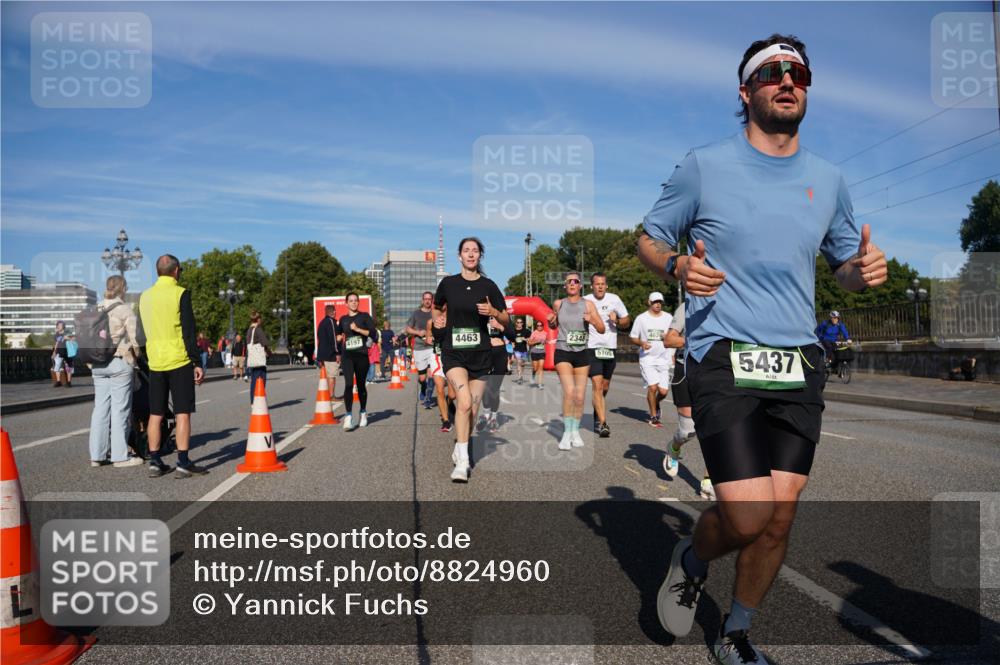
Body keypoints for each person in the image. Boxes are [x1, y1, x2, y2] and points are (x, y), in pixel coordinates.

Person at [638, 34, 888, 663]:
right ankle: (692, 559)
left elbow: (842, 268)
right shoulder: (705, 164)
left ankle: (738, 631)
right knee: (748, 516)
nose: (787, 81)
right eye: (771, 72)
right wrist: (675, 267)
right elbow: (648, 237)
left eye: (798, 73)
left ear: (806, 88)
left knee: (780, 516)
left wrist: (865, 271)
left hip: (799, 359)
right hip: (724, 352)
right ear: (745, 91)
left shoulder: (829, 179)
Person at [432, 237, 508, 483]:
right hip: (453, 351)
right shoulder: (448, 283)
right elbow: (436, 306)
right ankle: (463, 462)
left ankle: (460, 445)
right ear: (459, 256)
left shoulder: (488, 286)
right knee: (463, 402)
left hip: (481, 354)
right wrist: (437, 320)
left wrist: (494, 313)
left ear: (480, 256)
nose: (471, 254)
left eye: (475, 251)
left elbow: (506, 318)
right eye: (467, 250)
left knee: (472, 409)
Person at [137, 254, 209, 478]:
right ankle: (183, 462)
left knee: (155, 414)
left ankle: (155, 461)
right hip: (179, 360)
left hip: (156, 362)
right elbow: (188, 331)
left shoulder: (144, 297)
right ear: (176, 270)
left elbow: (142, 331)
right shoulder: (181, 293)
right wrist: (197, 362)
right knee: (182, 413)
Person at [88, 275, 143, 468]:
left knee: (100, 409)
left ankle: (97, 455)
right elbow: (135, 339)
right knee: (120, 410)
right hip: (119, 361)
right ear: (123, 288)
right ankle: (120, 457)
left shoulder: (95, 309)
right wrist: (136, 356)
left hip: (97, 364)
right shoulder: (125, 309)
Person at [663, 302, 714, 500]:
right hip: (685, 370)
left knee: (715, 428)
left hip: (715, 374)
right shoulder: (687, 307)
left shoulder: (731, 303)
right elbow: (669, 340)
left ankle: (709, 480)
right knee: (688, 430)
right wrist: (699, 341)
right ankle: (674, 447)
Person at [548, 271, 605, 450]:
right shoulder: (559, 303)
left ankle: (575, 431)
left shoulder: (588, 304)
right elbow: (553, 324)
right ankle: (566, 433)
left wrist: (593, 320)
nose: (572, 284)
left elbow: (602, 328)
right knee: (570, 391)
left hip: (581, 352)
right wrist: (551, 322)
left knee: (579, 397)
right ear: (565, 286)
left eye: (576, 281)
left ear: (580, 285)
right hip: (563, 351)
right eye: (569, 282)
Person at [584, 272, 630, 438]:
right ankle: (603, 423)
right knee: (597, 384)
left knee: (604, 386)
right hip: (592, 348)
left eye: (603, 284)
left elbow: (627, 320)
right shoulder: (586, 301)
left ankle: (598, 409)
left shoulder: (614, 299)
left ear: (606, 286)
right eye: (597, 284)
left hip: (610, 348)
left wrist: (616, 320)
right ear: (592, 286)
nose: (600, 286)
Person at [629, 292, 675, 428]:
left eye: (660, 302)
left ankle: (656, 402)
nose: (658, 304)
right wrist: (641, 343)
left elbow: (672, 337)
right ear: (649, 302)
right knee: (652, 387)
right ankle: (653, 416)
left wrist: (672, 353)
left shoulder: (668, 318)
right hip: (647, 358)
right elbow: (633, 337)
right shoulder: (641, 318)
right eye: (655, 302)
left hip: (663, 358)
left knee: (663, 392)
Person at [338, 293, 378, 429]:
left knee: (361, 386)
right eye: (351, 301)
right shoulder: (343, 319)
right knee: (349, 384)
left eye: (356, 301)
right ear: (346, 303)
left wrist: (358, 329)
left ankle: (363, 412)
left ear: (358, 303)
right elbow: (339, 333)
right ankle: (348, 416)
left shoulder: (365, 316)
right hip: (347, 355)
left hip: (361, 355)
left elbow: (373, 334)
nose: (354, 303)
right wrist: (338, 339)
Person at [478, 315, 516, 434]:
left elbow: (512, 335)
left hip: (499, 353)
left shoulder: (501, 315)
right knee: (484, 387)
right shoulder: (479, 315)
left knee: (494, 388)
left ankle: (493, 418)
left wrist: (499, 326)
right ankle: (486, 415)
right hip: (484, 352)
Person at [405, 292, 437, 407]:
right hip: (419, 348)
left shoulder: (435, 313)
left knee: (431, 374)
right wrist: (418, 332)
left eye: (430, 299)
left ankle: (428, 398)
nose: (427, 301)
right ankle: (423, 388)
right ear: (422, 300)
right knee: (422, 378)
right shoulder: (416, 314)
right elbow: (408, 328)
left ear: (432, 300)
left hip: (432, 347)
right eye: (425, 299)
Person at [428, 311, 456, 431]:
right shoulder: (431, 322)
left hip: (450, 357)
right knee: (439, 389)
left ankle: (449, 403)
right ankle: (445, 421)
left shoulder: (453, 321)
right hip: (437, 358)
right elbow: (428, 338)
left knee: (452, 394)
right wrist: (430, 338)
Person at [315, 304, 342, 406]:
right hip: (330, 354)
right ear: (333, 312)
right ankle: (331, 396)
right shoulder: (330, 322)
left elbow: (320, 338)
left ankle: (327, 395)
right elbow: (333, 340)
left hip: (322, 354)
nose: (335, 313)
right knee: (332, 376)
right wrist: (337, 352)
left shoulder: (321, 323)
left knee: (326, 376)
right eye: (334, 311)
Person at [245, 312, 271, 404]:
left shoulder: (249, 330)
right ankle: (259, 401)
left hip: (252, 359)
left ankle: (253, 402)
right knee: (261, 380)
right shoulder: (258, 329)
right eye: (261, 319)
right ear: (258, 319)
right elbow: (265, 342)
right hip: (259, 360)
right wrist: (269, 353)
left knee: (253, 381)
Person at [527, 320, 548, 388]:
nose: (539, 327)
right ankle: (533, 377)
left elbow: (546, 341)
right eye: (538, 326)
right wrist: (536, 342)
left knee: (541, 367)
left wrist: (545, 342)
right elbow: (529, 343)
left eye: (540, 325)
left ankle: (540, 383)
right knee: (535, 368)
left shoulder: (545, 333)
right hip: (534, 352)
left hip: (542, 352)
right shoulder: (534, 333)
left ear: (542, 326)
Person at [51, 320, 70, 387]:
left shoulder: (67, 332)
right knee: (57, 366)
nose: (59, 326)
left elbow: (72, 339)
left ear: (63, 326)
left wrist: (67, 338)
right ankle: (58, 381)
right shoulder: (56, 334)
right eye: (58, 325)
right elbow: (56, 343)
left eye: (60, 325)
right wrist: (54, 352)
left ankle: (68, 382)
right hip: (59, 352)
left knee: (68, 366)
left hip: (67, 351)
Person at [511, 318, 529, 384]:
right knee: (519, 362)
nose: (519, 324)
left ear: (522, 323)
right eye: (518, 322)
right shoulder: (513, 331)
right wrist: (512, 351)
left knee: (523, 364)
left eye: (520, 322)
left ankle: (521, 375)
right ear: (516, 323)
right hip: (516, 349)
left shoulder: (526, 331)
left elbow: (530, 339)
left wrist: (525, 339)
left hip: (524, 349)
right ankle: (519, 377)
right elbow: (512, 341)